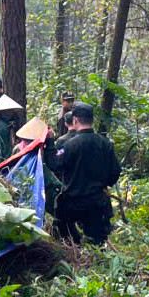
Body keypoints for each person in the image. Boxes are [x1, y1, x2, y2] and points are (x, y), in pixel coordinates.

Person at [46, 102, 122, 245]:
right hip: (97, 202)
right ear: (92, 120)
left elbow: (54, 164)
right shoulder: (105, 143)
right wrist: (103, 184)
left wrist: (49, 143)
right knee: (98, 245)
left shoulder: (69, 145)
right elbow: (115, 171)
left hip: (74, 203)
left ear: (75, 121)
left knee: (69, 238)